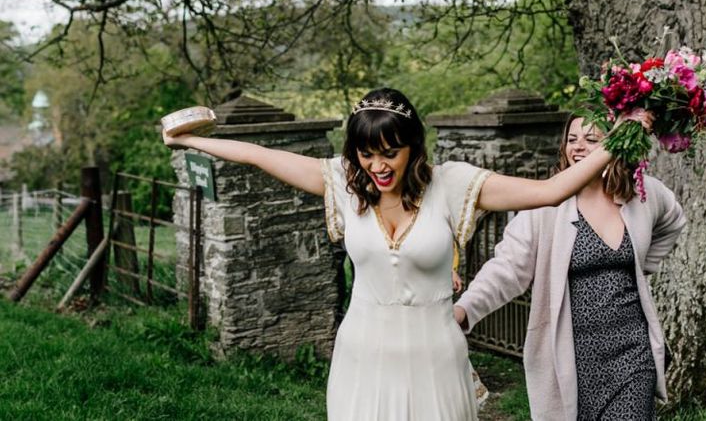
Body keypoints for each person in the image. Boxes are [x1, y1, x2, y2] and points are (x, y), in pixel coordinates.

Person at [163, 88, 647, 421]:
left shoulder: (454, 185)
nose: (377, 166)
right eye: (366, 154)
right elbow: (255, 154)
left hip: (435, 357)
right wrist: (186, 140)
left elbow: (550, 191)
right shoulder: (341, 183)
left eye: (389, 152)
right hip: (362, 355)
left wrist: (628, 132)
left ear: (413, 148)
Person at [453, 114, 686, 421]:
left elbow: (673, 221)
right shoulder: (544, 208)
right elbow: (506, 268)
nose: (579, 147)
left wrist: (644, 265)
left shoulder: (642, 193)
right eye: (572, 139)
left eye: (591, 140)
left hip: (632, 352)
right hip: (572, 356)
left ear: (615, 144)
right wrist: (465, 309)